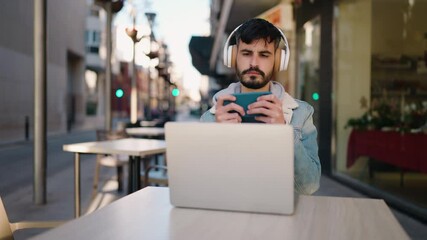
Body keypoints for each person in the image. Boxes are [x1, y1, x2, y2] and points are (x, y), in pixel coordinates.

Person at [200, 18, 321, 195]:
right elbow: (203, 188)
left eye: (264, 55)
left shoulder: (301, 114)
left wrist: (285, 134)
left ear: (278, 60)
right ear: (233, 57)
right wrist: (218, 138)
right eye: (246, 53)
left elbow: (309, 187)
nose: (254, 63)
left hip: (283, 218)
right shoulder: (211, 117)